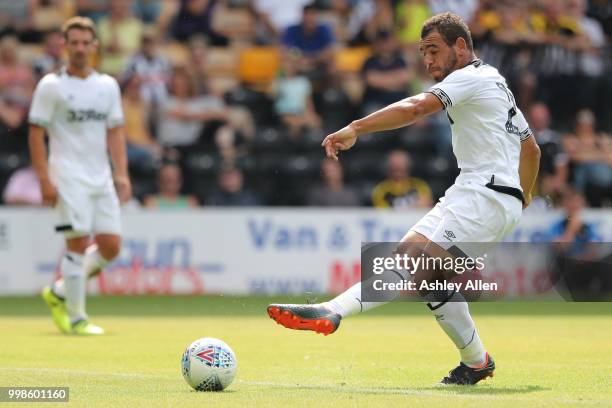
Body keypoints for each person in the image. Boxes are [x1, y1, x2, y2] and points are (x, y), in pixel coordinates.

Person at [267, 12, 541, 385]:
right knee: (431, 279)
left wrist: (355, 127)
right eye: (422, 52)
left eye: (433, 50)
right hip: (490, 196)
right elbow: (531, 150)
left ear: (460, 46)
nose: (427, 61)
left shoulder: (470, 78)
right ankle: (476, 362)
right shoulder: (494, 82)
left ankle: (333, 309)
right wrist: (523, 194)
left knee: (410, 260)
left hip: (482, 194)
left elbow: (415, 109)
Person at [29, 17, 131, 335]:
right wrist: (44, 179)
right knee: (76, 242)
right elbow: (35, 134)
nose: (80, 48)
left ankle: (58, 291)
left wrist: (122, 174)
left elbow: (115, 132)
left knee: (111, 246)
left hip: (100, 177)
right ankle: (76, 318)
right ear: (64, 45)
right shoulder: (51, 86)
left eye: (86, 42)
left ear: (95, 46)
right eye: (74, 42)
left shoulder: (107, 86)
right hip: (68, 176)